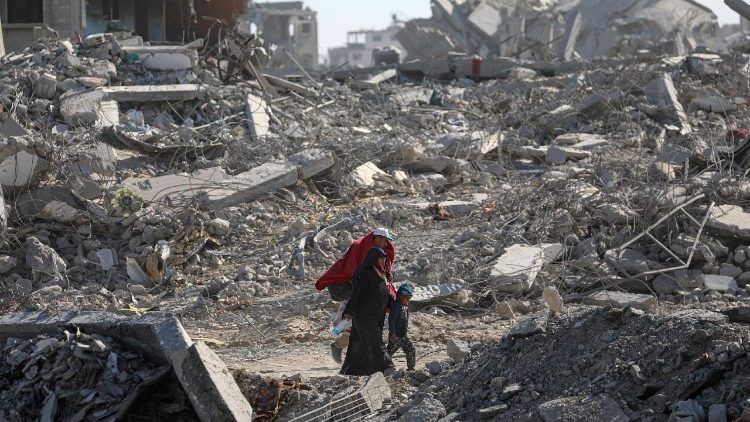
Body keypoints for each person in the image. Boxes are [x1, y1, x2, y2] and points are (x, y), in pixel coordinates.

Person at [316, 228, 396, 362]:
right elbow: (349, 267)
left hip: (370, 292)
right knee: (357, 323)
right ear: (376, 238)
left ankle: (343, 347)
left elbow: (382, 271)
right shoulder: (359, 247)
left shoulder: (381, 252)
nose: (385, 243)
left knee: (362, 325)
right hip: (358, 292)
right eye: (383, 240)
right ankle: (345, 349)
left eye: (386, 241)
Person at [340, 247, 395, 376]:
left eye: (385, 259)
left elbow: (382, 294)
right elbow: (356, 294)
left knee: (358, 342)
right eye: (381, 258)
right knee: (375, 341)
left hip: (376, 316)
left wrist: (391, 305)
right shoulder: (366, 275)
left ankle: (352, 370)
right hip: (364, 315)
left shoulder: (381, 275)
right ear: (374, 259)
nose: (384, 261)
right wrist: (348, 310)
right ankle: (387, 365)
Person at [387, 284, 416, 371]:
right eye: (407, 297)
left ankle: (411, 369)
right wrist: (392, 333)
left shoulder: (405, 306)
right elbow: (392, 320)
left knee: (411, 350)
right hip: (396, 336)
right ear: (401, 296)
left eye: (409, 297)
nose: (408, 299)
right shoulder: (397, 306)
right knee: (388, 354)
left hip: (403, 336)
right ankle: (381, 368)